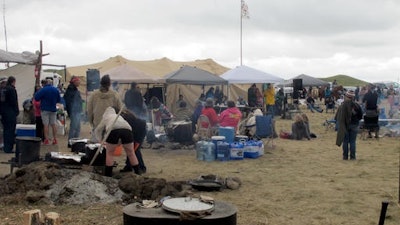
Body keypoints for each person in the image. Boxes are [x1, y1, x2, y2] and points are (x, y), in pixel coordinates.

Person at [94, 107, 141, 176]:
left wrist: (100, 140)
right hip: (127, 130)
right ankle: (137, 172)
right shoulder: (119, 117)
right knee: (131, 153)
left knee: (109, 154)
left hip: (113, 130)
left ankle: (108, 174)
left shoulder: (106, 118)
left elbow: (98, 130)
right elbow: (122, 128)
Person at [87, 74, 123, 141]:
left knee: (97, 146)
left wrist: (91, 122)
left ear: (101, 83)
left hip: (98, 123)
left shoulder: (94, 95)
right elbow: (120, 110)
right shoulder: (115, 95)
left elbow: (89, 110)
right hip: (111, 124)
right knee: (109, 147)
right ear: (109, 84)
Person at [117, 107, 147, 174]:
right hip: (133, 131)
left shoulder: (126, 119)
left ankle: (142, 167)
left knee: (135, 150)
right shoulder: (124, 117)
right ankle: (129, 166)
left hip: (140, 131)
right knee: (130, 149)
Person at [335, 90, 363, 160]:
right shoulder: (357, 105)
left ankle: (345, 156)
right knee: (353, 142)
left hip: (345, 126)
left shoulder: (342, 105)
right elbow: (360, 116)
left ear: (346, 96)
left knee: (345, 141)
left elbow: (337, 117)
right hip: (354, 125)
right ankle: (353, 157)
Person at [34, 78, 61, 145]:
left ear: (45, 83)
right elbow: (59, 100)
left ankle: (46, 139)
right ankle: (55, 139)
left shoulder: (43, 90)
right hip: (53, 109)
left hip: (45, 109)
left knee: (46, 125)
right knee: (53, 124)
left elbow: (36, 97)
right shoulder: (56, 90)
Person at [0, 76, 19, 153]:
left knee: (5, 130)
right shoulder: (11, 89)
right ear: (13, 81)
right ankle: (9, 148)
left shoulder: (2, 90)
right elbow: (14, 102)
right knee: (11, 130)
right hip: (10, 113)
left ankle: (5, 146)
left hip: (3, 112)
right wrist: (16, 111)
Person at [63, 76, 83, 145]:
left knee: (76, 128)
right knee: (74, 128)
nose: (79, 82)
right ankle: (72, 143)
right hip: (74, 112)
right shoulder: (71, 90)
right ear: (74, 82)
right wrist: (71, 111)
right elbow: (70, 102)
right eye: (78, 81)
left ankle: (74, 142)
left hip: (76, 111)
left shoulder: (74, 89)